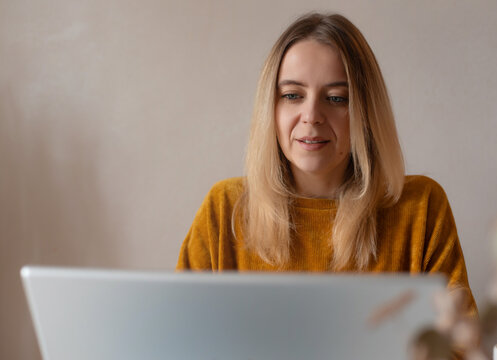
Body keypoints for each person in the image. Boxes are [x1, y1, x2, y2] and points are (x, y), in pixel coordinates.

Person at [176, 12, 476, 317]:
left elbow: (460, 348)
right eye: (292, 95)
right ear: (271, 108)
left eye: (336, 98)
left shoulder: (421, 208)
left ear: (367, 112)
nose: (311, 115)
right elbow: (174, 338)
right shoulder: (224, 210)